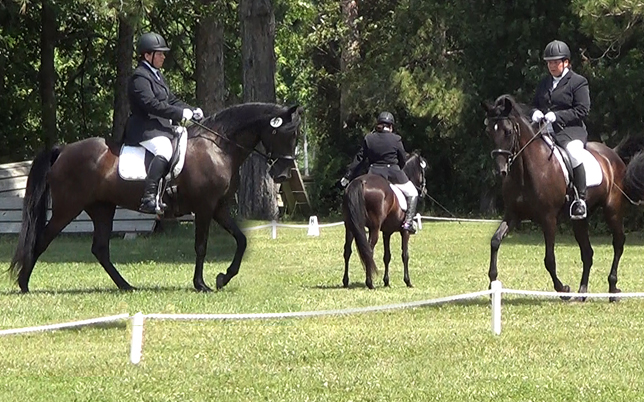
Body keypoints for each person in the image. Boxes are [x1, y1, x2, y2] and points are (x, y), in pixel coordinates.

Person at [123, 32, 204, 214]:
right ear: (147, 55)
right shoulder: (139, 78)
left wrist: (192, 110)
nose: (163, 57)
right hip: (144, 129)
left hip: (159, 127)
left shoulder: (157, 76)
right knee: (165, 150)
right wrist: (179, 113)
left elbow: (171, 100)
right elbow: (151, 104)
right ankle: (148, 198)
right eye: (159, 53)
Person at [530, 39, 590, 220]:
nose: (552, 65)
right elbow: (534, 104)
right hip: (546, 131)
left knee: (573, 153)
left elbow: (582, 110)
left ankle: (580, 199)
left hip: (571, 131)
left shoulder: (578, 82)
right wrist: (534, 113)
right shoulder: (544, 83)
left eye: (556, 62)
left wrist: (558, 116)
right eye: (549, 62)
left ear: (566, 62)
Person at [338, 111, 419, 233]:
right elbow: (402, 159)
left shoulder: (369, 138)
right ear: (390, 126)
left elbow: (359, 159)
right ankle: (408, 222)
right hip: (394, 173)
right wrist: (399, 168)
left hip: (374, 172)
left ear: (378, 124)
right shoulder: (396, 139)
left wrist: (348, 176)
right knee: (413, 193)